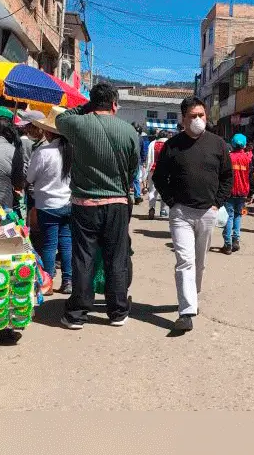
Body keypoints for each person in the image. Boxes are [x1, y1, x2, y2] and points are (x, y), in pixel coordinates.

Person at [56, 84, 140, 330]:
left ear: (93, 103)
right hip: (117, 204)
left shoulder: (78, 124)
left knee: (84, 257)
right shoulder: (129, 131)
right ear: (114, 103)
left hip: (85, 204)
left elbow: (61, 117)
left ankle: (78, 314)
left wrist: (86, 107)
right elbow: (132, 169)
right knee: (117, 257)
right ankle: (118, 312)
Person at [153, 97, 232, 332]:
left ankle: (193, 295)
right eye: (193, 116)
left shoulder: (218, 144)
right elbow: (159, 177)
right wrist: (171, 202)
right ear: (183, 119)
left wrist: (217, 204)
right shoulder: (172, 145)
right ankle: (186, 312)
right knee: (184, 261)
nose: (198, 120)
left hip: (208, 212)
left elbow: (227, 177)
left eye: (201, 115)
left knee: (200, 262)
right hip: (181, 214)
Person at [26, 107, 74, 295]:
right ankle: (68, 281)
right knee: (66, 243)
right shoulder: (72, 150)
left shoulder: (44, 152)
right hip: (68, 203)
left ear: (48, 131)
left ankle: (47, 283)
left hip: (47, 205)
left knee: (49, 244)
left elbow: (30, 177)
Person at [221, 133, 252, 255]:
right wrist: (250, 194)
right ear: (244, 145)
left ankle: (227, 244)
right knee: (238, 215)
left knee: (229, 216)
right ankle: (236, 241)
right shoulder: (247, 158)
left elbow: (222, 175)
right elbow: (250, 177)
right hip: (243, 191)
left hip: (229, 191)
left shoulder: (228, 157)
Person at [143, 130, 171, 219]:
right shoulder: (169, 143)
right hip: (166, 171)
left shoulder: (152, 144)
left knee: (152, 191)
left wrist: (146, 169)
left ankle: (152, 208)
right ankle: (163, 210)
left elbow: (148, 158)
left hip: (153, 170)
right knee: (164, 191)